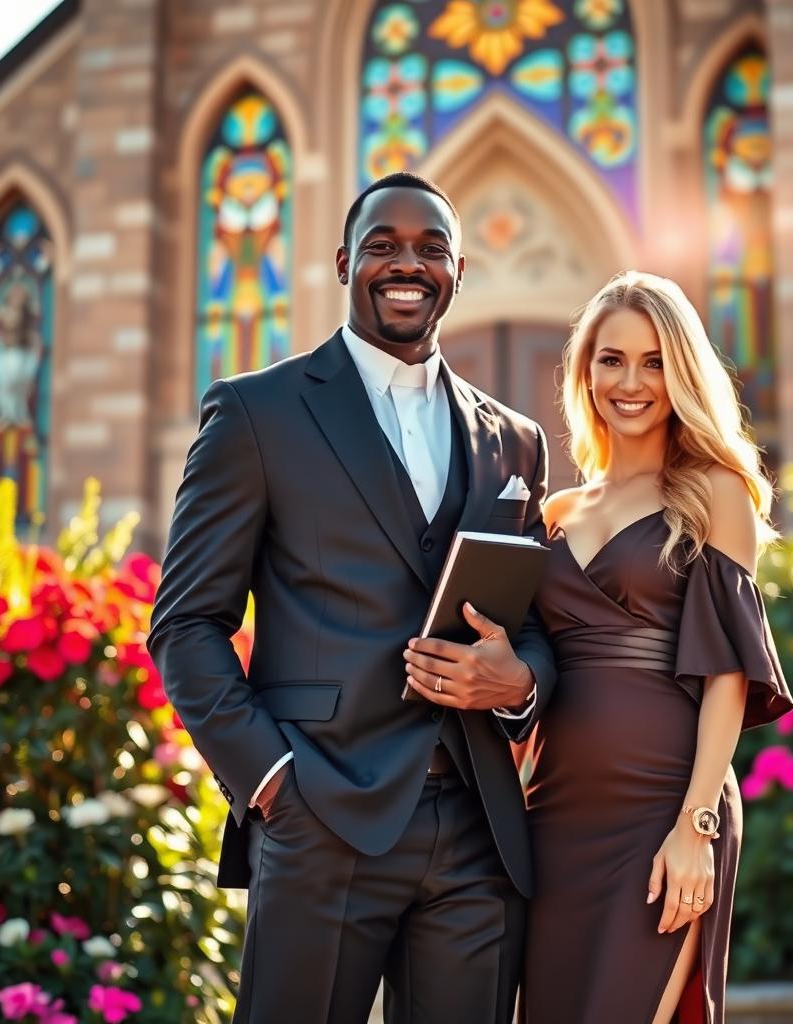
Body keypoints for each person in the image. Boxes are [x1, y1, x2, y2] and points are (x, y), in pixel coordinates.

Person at [148, 172, 556, 1024]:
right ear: (343, 262)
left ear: (459, 270)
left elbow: (538, 630)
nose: (406, 263)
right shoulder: (257, 414)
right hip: (321, 817)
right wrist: (273, 783)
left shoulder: (516, 440)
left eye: (430, 248)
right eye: (382, 245)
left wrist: (517, 685)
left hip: (479, 830)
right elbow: (187, 625)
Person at [520, 271, 793, 1024]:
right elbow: (528, 667)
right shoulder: (553, 511)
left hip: (664, 808)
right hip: (554, 812)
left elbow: (729, 676)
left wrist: (694, 825)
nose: (631, 382)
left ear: (682, 372)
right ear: (585, 370)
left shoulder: (716, 493)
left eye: (653, 362)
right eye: (611, 360)